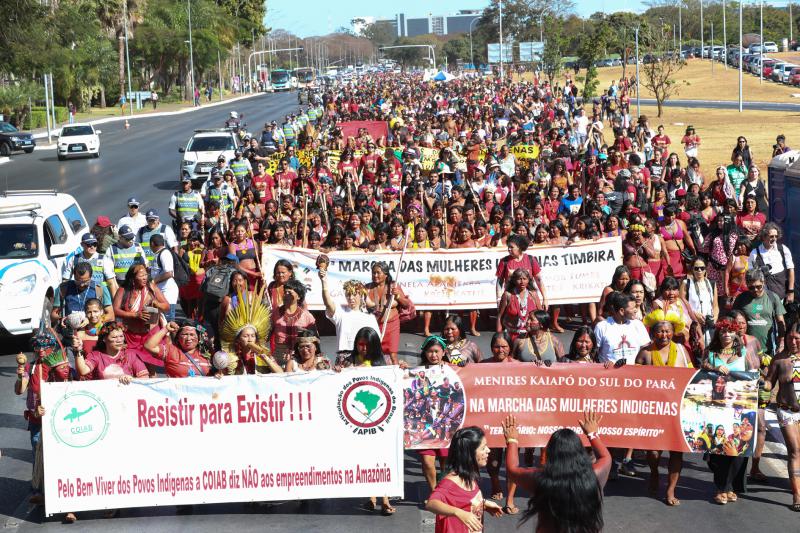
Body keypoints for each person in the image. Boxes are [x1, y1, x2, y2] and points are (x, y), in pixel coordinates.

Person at [502, 411, 608, 532]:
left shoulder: (541, 479)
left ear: (551, 453)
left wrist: (512, 440)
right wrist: (592, 434)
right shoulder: (594, 476)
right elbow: (605, 457)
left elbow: (512, 469)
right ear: (580, 452)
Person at [638, 310, 693, 506]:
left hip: (677, 408)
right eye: (660, 332)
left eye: (667, 331)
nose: (664, 335)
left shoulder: (680, 350)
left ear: (673, 332)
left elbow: (690, 376)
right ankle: (654, 473)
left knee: (676, 451)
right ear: (653, 333)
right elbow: (633, 379)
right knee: (653, 452)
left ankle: (670, 489)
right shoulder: (645, 352)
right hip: (653, 409)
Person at [425, 426, 504, 531]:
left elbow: (464, 500)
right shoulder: (451, 482)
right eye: (483, 447)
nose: (488, 450)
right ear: (469, 454)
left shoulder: (469, 476)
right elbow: (431, 503)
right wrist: (458, 513)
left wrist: (482, 503)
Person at [764, 323, 800, 511]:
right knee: (794, 450)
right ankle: (797, 495)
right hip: (787, 411)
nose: (792, 342)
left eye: (797, 338)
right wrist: (765, 386)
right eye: (789, 338)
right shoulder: (779, 360)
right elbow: (770, 380)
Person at [319, 266, 380, 356]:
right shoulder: (340, 312)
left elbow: (376, 341)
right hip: (344, 359)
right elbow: (328, 303)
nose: (351, 298)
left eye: (354, 295)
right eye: (348, 295)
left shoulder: (369, 317)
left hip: (364, 359)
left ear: (361, 296)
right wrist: (324, 281)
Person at [366, 261, 411, 364]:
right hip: (374, 326)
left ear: (385, 275)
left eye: (378, 273)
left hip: (391, 325)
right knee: (373, 354)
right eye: (373, 273)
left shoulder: (393, 286)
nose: (375, 275)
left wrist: (398, 296)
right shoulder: (367, 288)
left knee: (393, 355)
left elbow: (406, 304)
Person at [734, 269, 786, 355]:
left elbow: (781, 322)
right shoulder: (741, 298)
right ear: (746, 285)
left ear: (763, 283)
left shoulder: (773, 297)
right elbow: (733, 320)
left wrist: (781, 342)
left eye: (758, 286)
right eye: (751, 287)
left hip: (768, 348)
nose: (755, 290)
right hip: (746, 348)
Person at [594, 292, 650, 364]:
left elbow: (646, 350)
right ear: (621, 311)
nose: (636, 310)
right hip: (609, 374)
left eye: (636, 307)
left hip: (634, 373)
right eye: (633, 308)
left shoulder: (638, 325)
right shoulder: (601, 327)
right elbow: (594, 352)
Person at [143, 320, 213, 377]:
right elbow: (149, 346)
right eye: (184, 334)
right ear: (178, 337)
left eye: (192, 335)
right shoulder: (171, 351)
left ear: (199, 338)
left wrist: (218, 375)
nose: (188, 338)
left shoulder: (206, 354)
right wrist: (166, 329)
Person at [749, 222, 795, 302]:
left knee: (780, 314)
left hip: (780, 295)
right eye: (771, 236)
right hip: (761, 296)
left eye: (776, 236)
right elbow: (750, 275)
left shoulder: (783, 249)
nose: (774, 239)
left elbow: (791, 270)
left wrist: (791, 291)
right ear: (763, 237)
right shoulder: (754, 253)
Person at [271, 279, 316, 360]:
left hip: (299, 358)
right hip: (279, 357)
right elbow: (266, 336)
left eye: (289, 293)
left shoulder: (307, 316)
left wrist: (304, 332)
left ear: (298, 296)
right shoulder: (274, 313)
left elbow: (315, 340)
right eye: (285, 292)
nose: (286, 295)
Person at [497, 269, 542, 343]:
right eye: (519, 279)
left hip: (529, 335)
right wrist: (499, 335)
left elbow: (541, 316)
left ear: (528, 280)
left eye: (524, 279)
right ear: (514, 280)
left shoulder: (533, 295)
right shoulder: (507, 295)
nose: (522, 282)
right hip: (511, 335)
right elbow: (500, 316)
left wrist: (544, 333)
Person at [149, 234, 179, 322]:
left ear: (152, 244)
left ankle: (172, 336)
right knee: (161, 320)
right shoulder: (158, 254)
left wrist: (154, 281)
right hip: (160, 291)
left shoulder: (164, 253)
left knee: (169, 320)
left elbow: (169, 273)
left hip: (168, 291)